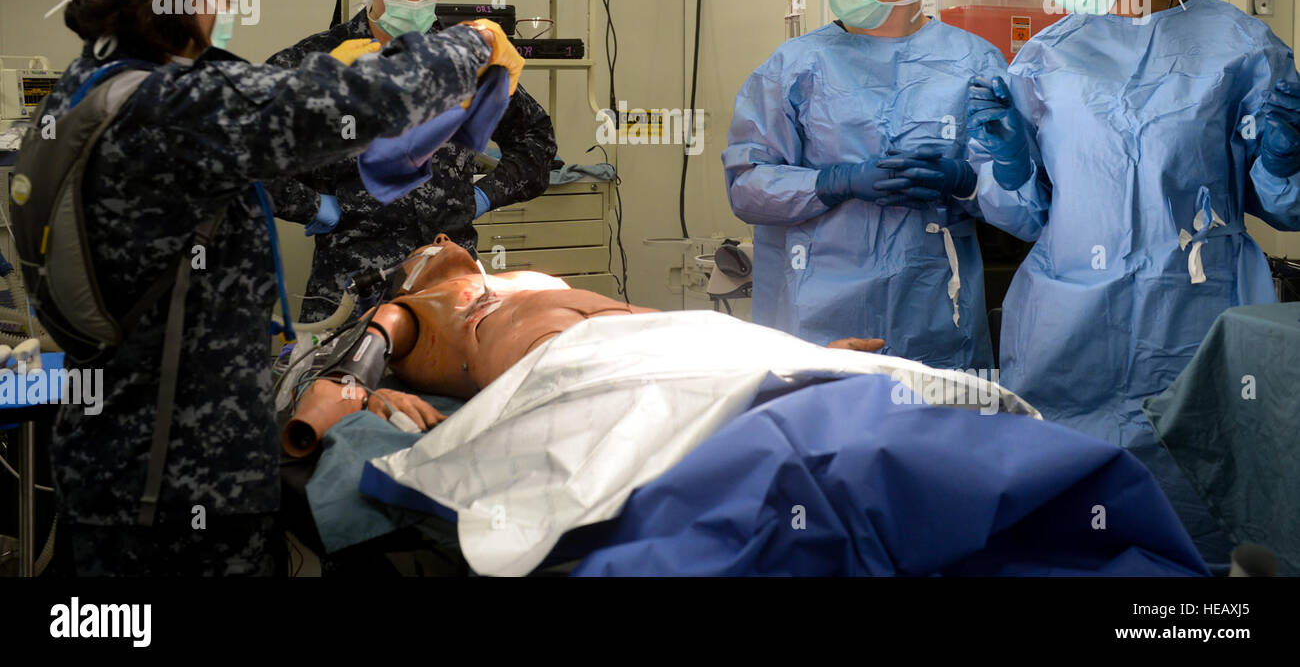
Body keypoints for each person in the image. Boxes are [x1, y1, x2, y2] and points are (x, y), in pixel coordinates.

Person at [31, 0, 521, 575]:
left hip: (113, 454)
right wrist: (469, 43)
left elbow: (254, 90)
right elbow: (349, 103)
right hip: (178, 483)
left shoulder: (89, 87)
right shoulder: (170, 110)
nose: (229, 8)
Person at [969, 0, 1300, 562]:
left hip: (1193, 325)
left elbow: (1285, 204)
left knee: (1195, 521)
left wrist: (1281, 158)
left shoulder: (1239, 49)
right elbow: (1021, 214)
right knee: (1058, 524)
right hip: (1067, 332)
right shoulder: (1045, 58)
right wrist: (1007, 161)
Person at [723, 0, 1007, 368]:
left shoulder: (973, 62)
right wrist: (836, 182)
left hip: (936, 309)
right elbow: (747, 187)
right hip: (819, 317)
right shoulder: (794, 67)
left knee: (936, 431)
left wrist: (962, 181)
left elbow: (1020, 197)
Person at [280, 234, 888, 455]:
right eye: (421, 252)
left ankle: (804, 369)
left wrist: (777, 347)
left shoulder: (515, 277)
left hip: (626, 325)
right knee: (655, 391)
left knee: (703, 343)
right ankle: (778, 396)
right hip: (544, 349)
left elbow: (654, 322)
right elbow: (355, 365)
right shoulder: (414, 306)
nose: (435, 242)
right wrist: (366, 395)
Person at [266, 0, 555, 321]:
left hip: (449, 284)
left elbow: (537, 138)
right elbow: (246, 151)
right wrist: (311, 205)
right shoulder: (316, 61)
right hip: (351, 288)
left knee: (451, 383)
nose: (414, 6)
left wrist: (485, 195)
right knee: (339, 383)